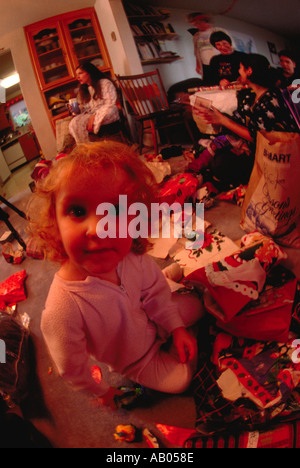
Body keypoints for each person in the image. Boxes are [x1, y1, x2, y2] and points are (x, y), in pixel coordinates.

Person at [28, 141, 204, 408]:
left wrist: (177, 328)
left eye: (116, 211)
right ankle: (171, 279)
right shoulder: (62, 309)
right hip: (137, 359)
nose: (98, 228)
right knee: (181, 380)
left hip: (150, 315)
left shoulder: (129, 256)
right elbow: (71, 367)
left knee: (198, 306)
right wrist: (100, 390)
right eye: (77, 211)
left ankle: (168, 279)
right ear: (54, 223)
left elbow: (155, 292)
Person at [188, 54, 299, 188]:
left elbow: (261, 138)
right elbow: (239, 121)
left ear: (249, 71)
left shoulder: (270, 100)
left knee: (221, 165)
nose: (238, 72)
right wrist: (216, 117)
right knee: (215, 147)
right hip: (252, 147)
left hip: (274, 157)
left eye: (241, 68)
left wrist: (223, 120)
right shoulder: (250, 95)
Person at [68, 62, 120, 144]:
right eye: (77, 75)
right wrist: (77, 110)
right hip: (91, 115)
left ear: (89, 72)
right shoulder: (84, 90)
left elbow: (110, 103)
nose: (78, 77)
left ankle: (95, 138)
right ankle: (86, 148)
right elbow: (86, 109)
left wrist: (94, 116)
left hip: (105, 111)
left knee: (111, 110)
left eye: (80, 73)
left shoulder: (105, 83)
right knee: (74, 122)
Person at [187, 12, 220, 83]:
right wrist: (198, 65)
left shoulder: (217, 31)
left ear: (205, 21)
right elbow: (197, 52)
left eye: (199, 23)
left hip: (219, 63)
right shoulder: (196, 36)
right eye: (195, 24)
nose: (198, 26)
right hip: (205, 65)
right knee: (209, 85)